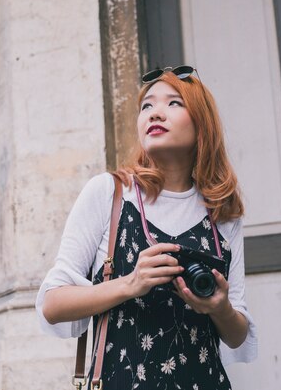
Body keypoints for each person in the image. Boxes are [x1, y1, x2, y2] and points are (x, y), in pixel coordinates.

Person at [35, 66, 257, 390]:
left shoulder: (222, 213)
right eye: (147, 106)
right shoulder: (109, 193)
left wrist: (220, 308)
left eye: (173, 103)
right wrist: (130, 283)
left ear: (202, 122)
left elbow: (237, 336)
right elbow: (52, 305)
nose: (155, 113)